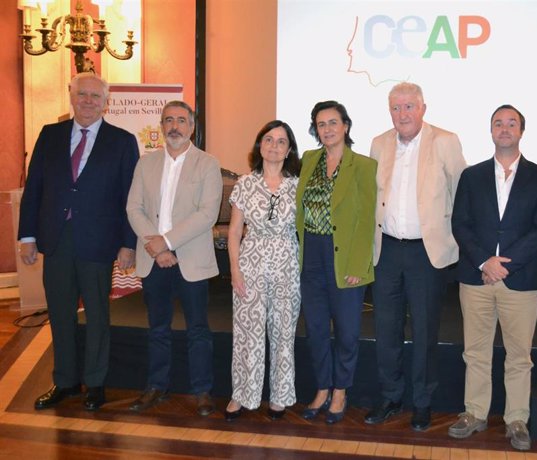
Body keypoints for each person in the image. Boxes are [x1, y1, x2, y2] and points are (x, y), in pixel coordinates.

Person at [18, 72, 138, 411]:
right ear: (71, 96)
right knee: (60, 313)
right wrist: (27, 236)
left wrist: (128, 243)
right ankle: (66, 381)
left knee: (98, 315)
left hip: (99, 242)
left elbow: (131, 197)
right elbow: (34, 189)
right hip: (56, 239)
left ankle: (96, 384)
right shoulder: (50, 135)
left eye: (95, 97)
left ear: (106, 102)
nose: (88, 101)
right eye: (82, 94)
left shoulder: (122, 141)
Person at [449, 105, 537, 450]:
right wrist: (484, 261)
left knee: (519, 355)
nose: (505, 128)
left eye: (512, 123)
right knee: (476, 351)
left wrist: (505, 264)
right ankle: (475, 413)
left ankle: (517, 419)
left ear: (521, 131)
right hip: (476, 277)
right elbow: (460, 224)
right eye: (499, 123)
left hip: (519, 279)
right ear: (490, 130)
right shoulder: (472, 175)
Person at [365, 82, 466, 431]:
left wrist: (456, 241)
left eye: (410, 106)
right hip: (388, 249)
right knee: (386, 329)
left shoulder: (445, 141)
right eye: (396, 108)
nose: (403, 114)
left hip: (427, 252)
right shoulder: (379, 144)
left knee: (424, 331)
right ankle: (391, 396)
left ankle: (422, 402)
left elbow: (461, 194)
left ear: (423, 108)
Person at [126, 100, 222, 417]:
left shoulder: (207, 164)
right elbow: (133, 208)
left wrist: (165, 242)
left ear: (192, 127)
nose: (174, 126)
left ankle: (202, 391)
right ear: (161, 126)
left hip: (190, 259)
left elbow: (207, 214)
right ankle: (156, 386)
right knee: (157, 328)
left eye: (181, 120)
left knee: (197, 329)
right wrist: (157, 248)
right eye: (168, 120)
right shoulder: (145, 163)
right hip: (154, 259)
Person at [296, 100, 377, 424]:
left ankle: (341, 390)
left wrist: (359, 265)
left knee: (346, 330)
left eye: (332, 122)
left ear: (345, 125)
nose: (327, 129)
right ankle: (322, 387)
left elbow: (367, 219)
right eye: (321, 124)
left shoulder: (364, 165)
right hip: (311, 254)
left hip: (344, 257)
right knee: (315, 329)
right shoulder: (308, 159)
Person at [224, 120, 301, 421]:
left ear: (289, 149)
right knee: (247, 333)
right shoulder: (245, 183)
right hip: (250, 261)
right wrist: (235, 270)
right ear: (260, 145)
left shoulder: (297, 185)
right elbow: (233, 232)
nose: (274, 146)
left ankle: (280, 396)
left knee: (283, 331)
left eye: (281, 141)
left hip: (286, 262)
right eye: (268, 140)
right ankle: (241, 395)